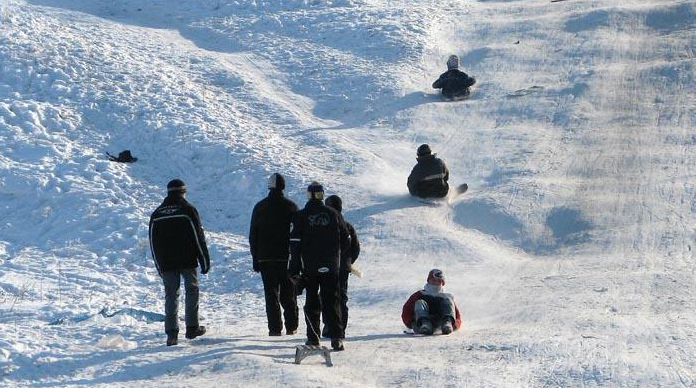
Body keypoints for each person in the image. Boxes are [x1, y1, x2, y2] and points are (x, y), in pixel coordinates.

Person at [289, 182, 350, 351]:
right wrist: (336, 256)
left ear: (308, 195)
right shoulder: (334, 214)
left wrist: (294, 268)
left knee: (312, 301)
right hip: (331, 266)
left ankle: (313, 338)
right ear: (322, 195)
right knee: (332, 300)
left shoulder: (300, 216)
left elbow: (294, 244)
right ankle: (336, 338)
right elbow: (346, 240)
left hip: (310, 266)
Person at [149, 179, 210, 346]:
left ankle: (172, 334)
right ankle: (192, 327)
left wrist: (158, 265)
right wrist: (204, 260)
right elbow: (198, 237)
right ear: (183, 192)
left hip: (166, 262)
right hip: (187, 260)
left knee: (171, 295)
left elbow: (152, 242)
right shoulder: (187, 210)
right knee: (192, 290)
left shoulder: (157, 213)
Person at [249, 173, 299, 336]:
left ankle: (275, 329)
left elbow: (253, 235)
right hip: (286, 257)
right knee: (288, 293)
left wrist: (255, 257)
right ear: (283, 187)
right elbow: (298, 234)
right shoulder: (291, 206)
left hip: (265, 257)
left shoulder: (260, 206)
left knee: (271, 295)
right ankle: (291, 326)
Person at [321, 195, 360, 339]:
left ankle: (329, 326)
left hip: (327, 267)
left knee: (327, 296)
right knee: (341, 297)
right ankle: (341, 327)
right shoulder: (347, 226)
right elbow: (355, 248)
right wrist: (348, 262)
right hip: (343, 268)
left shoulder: (324, 226)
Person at [401, 269, 462, 335]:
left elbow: (457, 315)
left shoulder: (446, 296)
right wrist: (412, 323)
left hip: (440, 323)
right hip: (421, 323)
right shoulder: (419, 294)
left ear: (442, 283)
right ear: (428, 281)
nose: (436, 283)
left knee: (448, 301)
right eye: (433, 280)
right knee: (420, 302)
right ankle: (425, 324)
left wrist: (454, 325)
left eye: (439, 281)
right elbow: (406, 311)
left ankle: (447, 323)